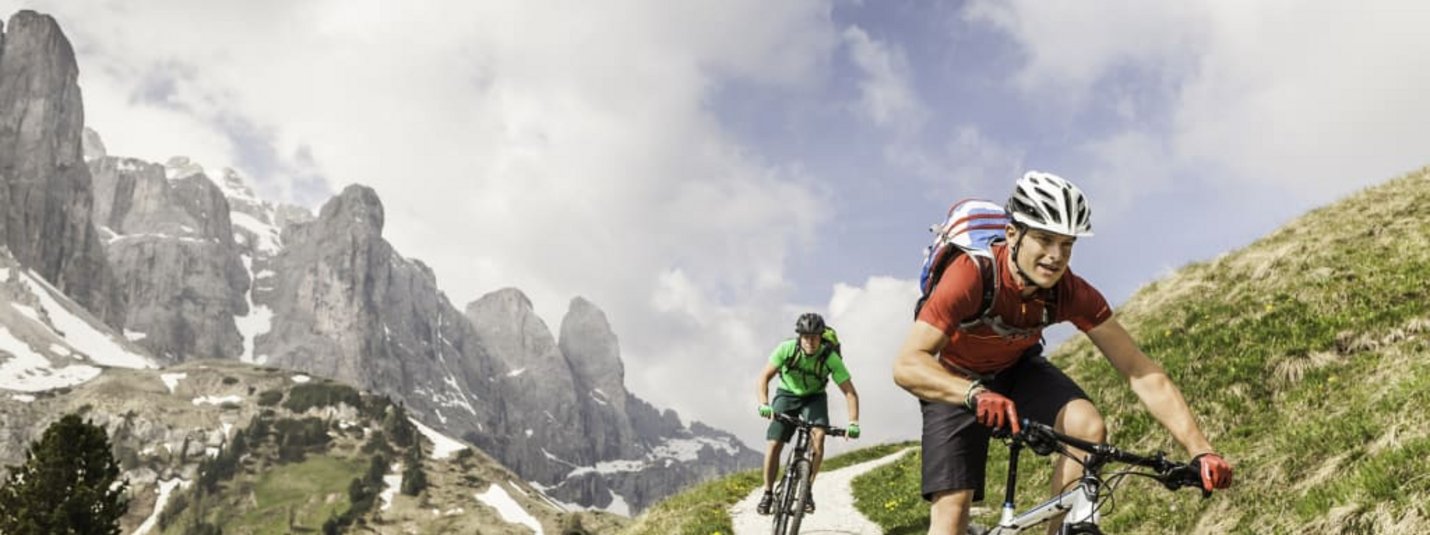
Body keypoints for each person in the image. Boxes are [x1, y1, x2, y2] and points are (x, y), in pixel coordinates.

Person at [892, 171, 1233, 535]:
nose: (1056, 257)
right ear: (1012, 235)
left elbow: (1139, 370)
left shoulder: (1070, 291)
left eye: (1067, 245)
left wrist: (1201, 449)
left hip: (1016, 368)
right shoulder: (971, 275)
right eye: (1044, 239)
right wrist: (972, 393)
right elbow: (908, 364)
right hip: (954, 379)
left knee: (1088, 427)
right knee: (952, 513)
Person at [754, 312, 861, 516]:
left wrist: (853, 422)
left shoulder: (830, 358)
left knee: (818, 438)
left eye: (815, 337)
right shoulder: (786, 349)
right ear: (800, 337)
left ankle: (807, 489)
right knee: (774, 443)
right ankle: (767, 492)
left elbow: (850, 392)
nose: (810, 341)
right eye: (806, 337)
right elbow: (763, 378)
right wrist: (764, 404)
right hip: (787, 394)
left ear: (821, 337)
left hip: (814, 398)